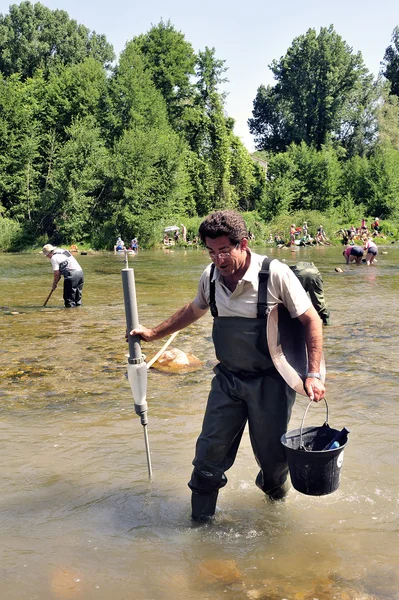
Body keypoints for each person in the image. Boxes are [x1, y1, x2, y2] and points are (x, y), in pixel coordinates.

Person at [130, 210, 325, 523]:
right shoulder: (209, 276)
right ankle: (199, 532)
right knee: (207, 459)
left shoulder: (273, 274)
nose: (217, 259)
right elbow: (193, 310)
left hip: (271, 384)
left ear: (243, 244)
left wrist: (313, 374)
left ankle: (275, 517)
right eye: (210, 251)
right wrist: (153, 334)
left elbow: (310, 320)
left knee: (274, 466)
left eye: (223, 251)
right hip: (228, 381)